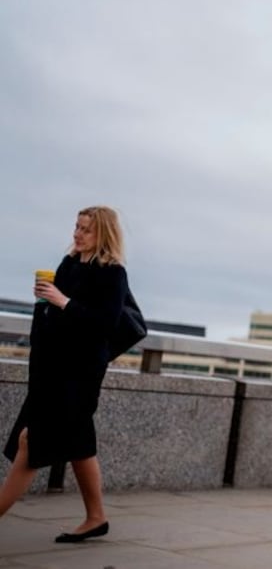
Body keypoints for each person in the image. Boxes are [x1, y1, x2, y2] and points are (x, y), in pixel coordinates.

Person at [1, 206, 130, 542]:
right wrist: (46, 302)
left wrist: (63, 301)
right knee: (79, 443)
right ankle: (96, 517)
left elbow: (106, 324)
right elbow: (56, 315)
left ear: (102, 234)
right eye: (76, 226)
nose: (77, 233)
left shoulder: (113, 273)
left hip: (80, 374)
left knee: (32, 441)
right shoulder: (68, 264)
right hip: (51, 369)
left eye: (86, 229)